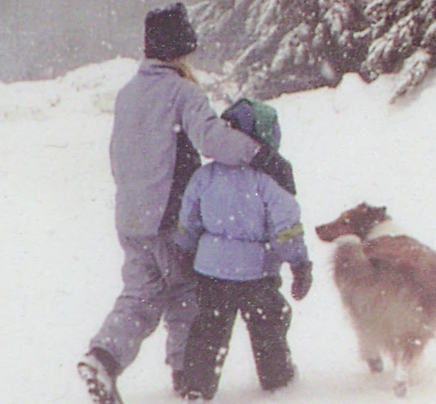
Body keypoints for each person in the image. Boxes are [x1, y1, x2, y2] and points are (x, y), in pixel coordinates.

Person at [77, 3, 295, 404]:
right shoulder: (182, 91)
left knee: (139, 297)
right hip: (168, 217)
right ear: (181, 48)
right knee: (187, 294)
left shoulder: (128, 94)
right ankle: (185, 377)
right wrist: (261, 155)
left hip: (131, 217)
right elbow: (212, 140)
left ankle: (103, 357)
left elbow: (116, 154)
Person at [173, 98, 312, 401]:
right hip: (256, 274)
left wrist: (184, 250)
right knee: (268, 327)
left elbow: (188, 220)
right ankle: (278, 380)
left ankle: (197, 385)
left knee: (208, 330)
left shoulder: (205, 176)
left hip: (211, 272)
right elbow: (286, 227)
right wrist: (299, 263)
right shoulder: (270, 178)